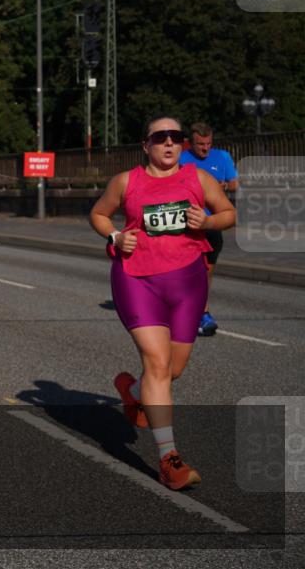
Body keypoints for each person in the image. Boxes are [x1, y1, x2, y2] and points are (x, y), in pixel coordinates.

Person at [89, 116, 235, 491]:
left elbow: (228, 214)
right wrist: (116, 237)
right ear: (146, 145)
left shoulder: (198, 179)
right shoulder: (126, 182)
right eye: (160, 137)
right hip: (137, 279)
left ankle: (133, 392)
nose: (169, 143)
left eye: (175, 137)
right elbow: (98, 214)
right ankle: (170, 460)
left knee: (173, 369)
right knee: (157, 363)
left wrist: (208, 222)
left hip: (188, 281)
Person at [179, 122, 238, 337]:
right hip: (186, 225)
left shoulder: (222, 157)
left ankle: (201, 312)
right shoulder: (181, 159)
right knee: (183, 271)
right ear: (191, 143)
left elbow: (235, 183)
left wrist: (223, 186)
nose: (205, 148)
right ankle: (192, 311)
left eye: (208, 144)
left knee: (206, 271)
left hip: (212, 222)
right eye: (200, 144)